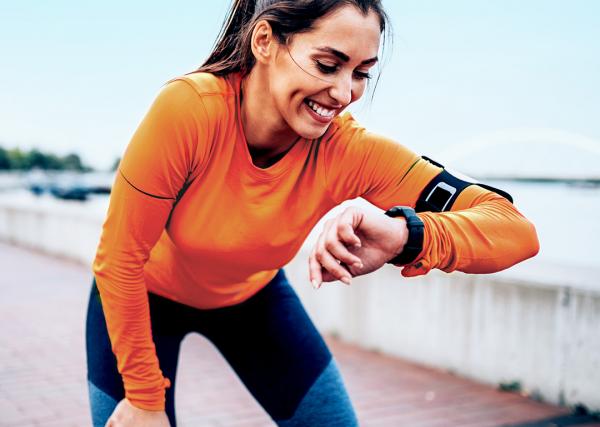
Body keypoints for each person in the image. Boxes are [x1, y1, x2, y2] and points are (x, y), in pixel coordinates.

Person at [86, 0, 540, 426]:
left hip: (252, 301)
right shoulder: (191, 108)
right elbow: (119, 259)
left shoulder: (350, 151)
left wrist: (405, 235)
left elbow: (514, 230)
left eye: (362, 73)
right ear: (264, 41)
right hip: (140, 298)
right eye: (328, 64)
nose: (344, 93)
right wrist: (145, 398)